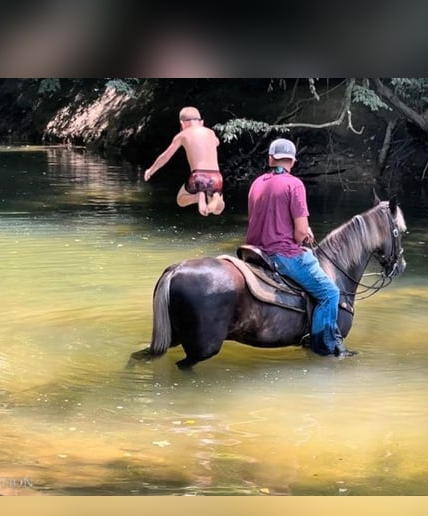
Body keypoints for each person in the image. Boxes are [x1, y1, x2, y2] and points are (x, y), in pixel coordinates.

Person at [246, 138, 355, 358]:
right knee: (330, 293)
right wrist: (304, 235)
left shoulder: (257, 183)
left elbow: (261, 219)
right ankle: (323, 348)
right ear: (293, 162)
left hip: (254, 250)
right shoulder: (294, 184)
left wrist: (301, 231)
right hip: (281, 254)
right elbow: (299, 233)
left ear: (270, 159)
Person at [143, 106, 225, 216]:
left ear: (182, 123)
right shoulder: (210, 133)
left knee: (181, 200)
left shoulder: (182, 135)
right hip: (216, 176)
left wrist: (151, 170)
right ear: (201, 122)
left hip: (199, 175)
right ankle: (215, 198)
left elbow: (165, 156)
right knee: (217, 210)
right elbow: (217, 143)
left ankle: (199, 196)